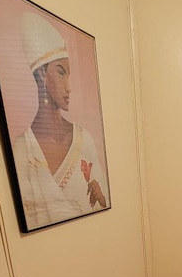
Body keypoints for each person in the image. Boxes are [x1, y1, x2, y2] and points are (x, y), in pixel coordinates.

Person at [12, 12, 109, 230]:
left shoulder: (84, 139)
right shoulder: (22, 149)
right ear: (42, 76)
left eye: (69, 75)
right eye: (61, 73)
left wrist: (100, 196)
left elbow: (103, 203)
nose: (69, 86)